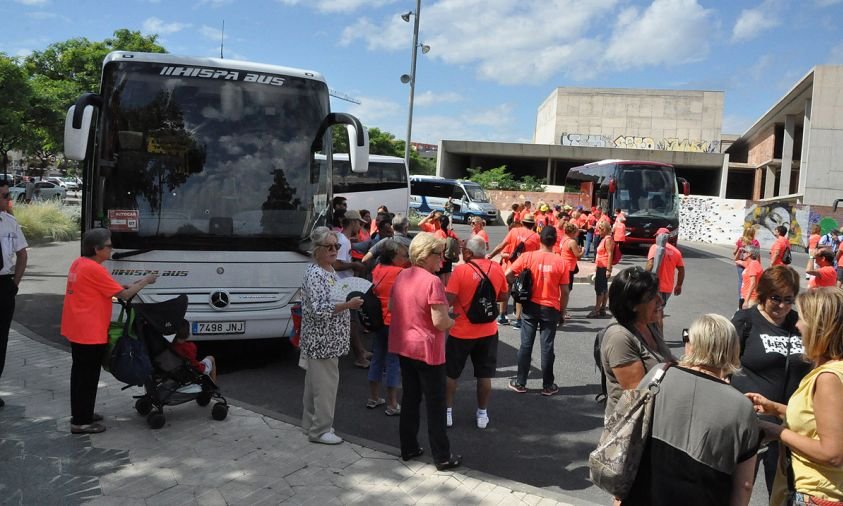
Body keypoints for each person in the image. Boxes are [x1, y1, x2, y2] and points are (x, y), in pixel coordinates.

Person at [621, 314, 759, 506]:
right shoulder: (742, 408)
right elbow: (744, 485)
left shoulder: (659, 376)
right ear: (732, 350)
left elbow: (630, 438)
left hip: (643, 497)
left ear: (694, 344)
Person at [747, 287, 843, 505]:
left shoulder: (828, 378)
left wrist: (776, 431)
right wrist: (776, 408)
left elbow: (832, 453)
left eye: (803, 320)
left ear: (821, 327)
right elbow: (821, 421)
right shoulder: (836, 370)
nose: (797, 326)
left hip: (813, 495)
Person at [61, 228, 157, 434]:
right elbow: (123, 294)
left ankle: (82, 412)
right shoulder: (95, 269)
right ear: (97, 249)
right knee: (87, 376)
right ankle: (81, 422)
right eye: (109, 246)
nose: (111, 249)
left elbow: (103, 288)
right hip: (89, 331)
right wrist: (145, 281)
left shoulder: (79, 263)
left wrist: (125, 286)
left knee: (79, 374)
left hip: (76, 327)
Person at [731, 265, 809, 496]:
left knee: (785, 492)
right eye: (776, 298)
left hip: (789, 422)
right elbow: (725, 366)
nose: (783, 306)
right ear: (763, 294)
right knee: (740, 489)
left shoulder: (798, 324)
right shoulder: (745, 321)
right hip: (751, 422)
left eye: (789, 299)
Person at [388, 232, 461, 471]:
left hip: (404, 345)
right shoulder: (432, 282)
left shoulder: (402, 276)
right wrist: (454, 320)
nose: (442, 259)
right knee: (435, 404)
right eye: (438, 254)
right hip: (428, 349)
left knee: (410, 398)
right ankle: (442, 456)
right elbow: (440, 322)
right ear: (425, 256)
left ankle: (408, 447)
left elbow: (391, 307)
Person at [300, 227, 364, 445]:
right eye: (329, 246)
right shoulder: (317, 273)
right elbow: (319, 309)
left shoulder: (326, 270)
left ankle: (311, 425)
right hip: (322, 340)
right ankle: (320, 430)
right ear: (317, 249)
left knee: (315, 385)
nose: (335, 250)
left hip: (326, 339)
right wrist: (348, 304)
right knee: (325, 387)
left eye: (336, 246)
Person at [445, 236, 508, 428]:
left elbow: (449, 298)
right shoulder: (497, 269)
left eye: (464, 250)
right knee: (484, 375)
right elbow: (504, 295)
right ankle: (482, 414)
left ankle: (447, 412)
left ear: (469, 253)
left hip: (461, 331)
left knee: (451, 374)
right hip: (488, 330)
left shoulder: (461, 271)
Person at [598, 266, 674, 417]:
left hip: (655, 417)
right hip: (631, 426)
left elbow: (667, 361)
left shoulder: (648, 322)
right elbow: (640, 395)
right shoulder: (619, 338)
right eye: (652, 297)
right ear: (632, 305)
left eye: (658, 293)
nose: (660, 300)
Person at [505, 226, 570, 396]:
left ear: (540, 239)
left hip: (530, 306)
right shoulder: (562, 262)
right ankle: (548, 385)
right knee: (547, 347)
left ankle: (520, 382)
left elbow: (508, 274)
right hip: (551, 308)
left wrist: (517, 285)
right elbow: (565, 291)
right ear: (555, 241)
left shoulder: (528, 257)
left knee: (526, 345)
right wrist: (562, 312)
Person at [367, 240, 408, 416]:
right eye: (404, 256)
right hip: (395, 322)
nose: (406, 258)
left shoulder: (377, 269)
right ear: (393, 256)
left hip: (378, 321)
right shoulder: (401, 273)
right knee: (393, 362)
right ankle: (392, 403)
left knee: (377, 358)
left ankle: (373, 398)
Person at [0, 180, 28, 408]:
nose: (8, 199)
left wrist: (14, 284)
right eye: (4, 195)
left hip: (3, 285)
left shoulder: (9, 222)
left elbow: (22, 254)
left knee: (1, 339)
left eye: (8, 194)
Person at [488, 213, 540, 329]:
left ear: (522, 222)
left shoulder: (514, 231)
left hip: (510, 266)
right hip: (524, 269)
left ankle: (502, 316)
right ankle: (518, 320)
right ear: (533, 225)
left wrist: (490, 255)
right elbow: (536, 255)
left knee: (506, 290)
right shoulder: (536, 237)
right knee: (520, 292)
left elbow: (501, 246)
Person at [334, 210, 370, 368]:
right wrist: (354, 264)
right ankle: (359, 356)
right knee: (352, 322)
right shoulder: (344, 240)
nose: (360, 226)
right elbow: (336, 264)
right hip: (344, 285)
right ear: (353, 222)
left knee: (352, 320)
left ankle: (361, 351)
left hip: (345, 284)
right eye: (359, 223)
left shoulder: (344, 239)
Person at [645, 227, 684, 306]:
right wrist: (679, 285)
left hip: (653, 286)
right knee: (659, 310)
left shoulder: (654, 247)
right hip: (667, 288)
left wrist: (644, 279)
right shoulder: (676, 252)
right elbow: (681, 270)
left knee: (650, 311)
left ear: (658, 236)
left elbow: (650, 264)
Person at [554, 222, 582, 319]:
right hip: (569, 268)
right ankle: (563, 311)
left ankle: (560, 309)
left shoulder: (563, 239)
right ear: (572, 232)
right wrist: (582, 250)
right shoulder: (572, 242)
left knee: (561, 290)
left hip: (563, 265)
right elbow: (577, 256)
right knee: (566, 291)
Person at [587, 220, 614, 318]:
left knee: (599, 288)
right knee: (604, 288)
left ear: (605, 229)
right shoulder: (605, 239)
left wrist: (608, 269)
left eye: (600, 230)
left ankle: (597, 310)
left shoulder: (607, 239)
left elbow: (610, 254)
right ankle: (602, 308)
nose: (598, 232)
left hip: (603, 267)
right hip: (601, 266)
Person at [734, 227, 760, 298]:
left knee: (741, 280)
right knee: (750, 280)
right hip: (750, 263)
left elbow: (734, 252)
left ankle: (741, 297)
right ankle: (749, 295)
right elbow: (757, 254)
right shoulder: (755, 242)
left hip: (740, 263)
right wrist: (758, 264)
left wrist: (739, 251)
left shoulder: (741, 240)